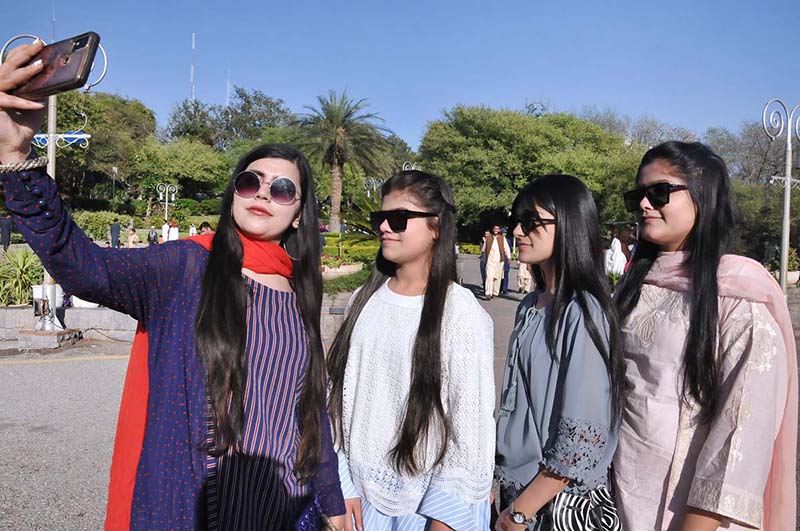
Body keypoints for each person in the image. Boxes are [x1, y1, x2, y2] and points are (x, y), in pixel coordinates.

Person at [0, 45, 346, 531]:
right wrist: (17, 157)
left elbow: (308, 408)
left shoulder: (298, 290)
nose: (265, 193)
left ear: (298, 212)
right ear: (234, 193)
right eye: (252, 181)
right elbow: (81, 264)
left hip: (288, 512)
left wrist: (331, 497)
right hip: (199, 510)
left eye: (283, 189)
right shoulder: (186, 267)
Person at [613, 141, 797, 531]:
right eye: (638, 196)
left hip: (686, 514)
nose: (645, 205)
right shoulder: (633, 286)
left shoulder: (738, 296)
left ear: (704, 196)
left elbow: (740, 435)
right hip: (617, 499)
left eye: (659, 192)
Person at [327, 170, 495, 531]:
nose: (385, 227)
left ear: (436, 226)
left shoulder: (459, 311)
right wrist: (339, 485)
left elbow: (471, 432)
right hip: (355, 502)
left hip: (423, 511)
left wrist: (444, 522)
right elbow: (336, 400)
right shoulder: (363, 299)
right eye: (381, 219)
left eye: (399, 218)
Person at [494, 175, 623, 531]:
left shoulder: (583, 311)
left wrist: (521, 512)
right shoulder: (530, 305)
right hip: (518, 492)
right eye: (516, 221)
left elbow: (583, 434)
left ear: (568, 223)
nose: (518, 231)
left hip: (551, 505)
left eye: (531, 221)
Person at [484, 225, 509, 300]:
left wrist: (509, 257)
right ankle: (488, 293)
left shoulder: (502, 238)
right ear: (493, 229)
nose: (496, 230)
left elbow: (506, 248)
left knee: (497, 277)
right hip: (490, 260)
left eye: (497, 229)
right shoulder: (488, 237)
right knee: (489, 276)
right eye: (495, 228)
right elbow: (483, 249)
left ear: (499, 230)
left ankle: (495, 292)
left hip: (499, 260)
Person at [500, 228, 512, 295]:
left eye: (505, 233)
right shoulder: (498, 240)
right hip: (500, 259)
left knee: (506, 274)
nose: (504, 234)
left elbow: (509, 249)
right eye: (503, 233)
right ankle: (499, 288)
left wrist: (509, 258)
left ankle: (505, 289)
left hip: (506, 259)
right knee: (499, 274)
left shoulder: (508, 241)